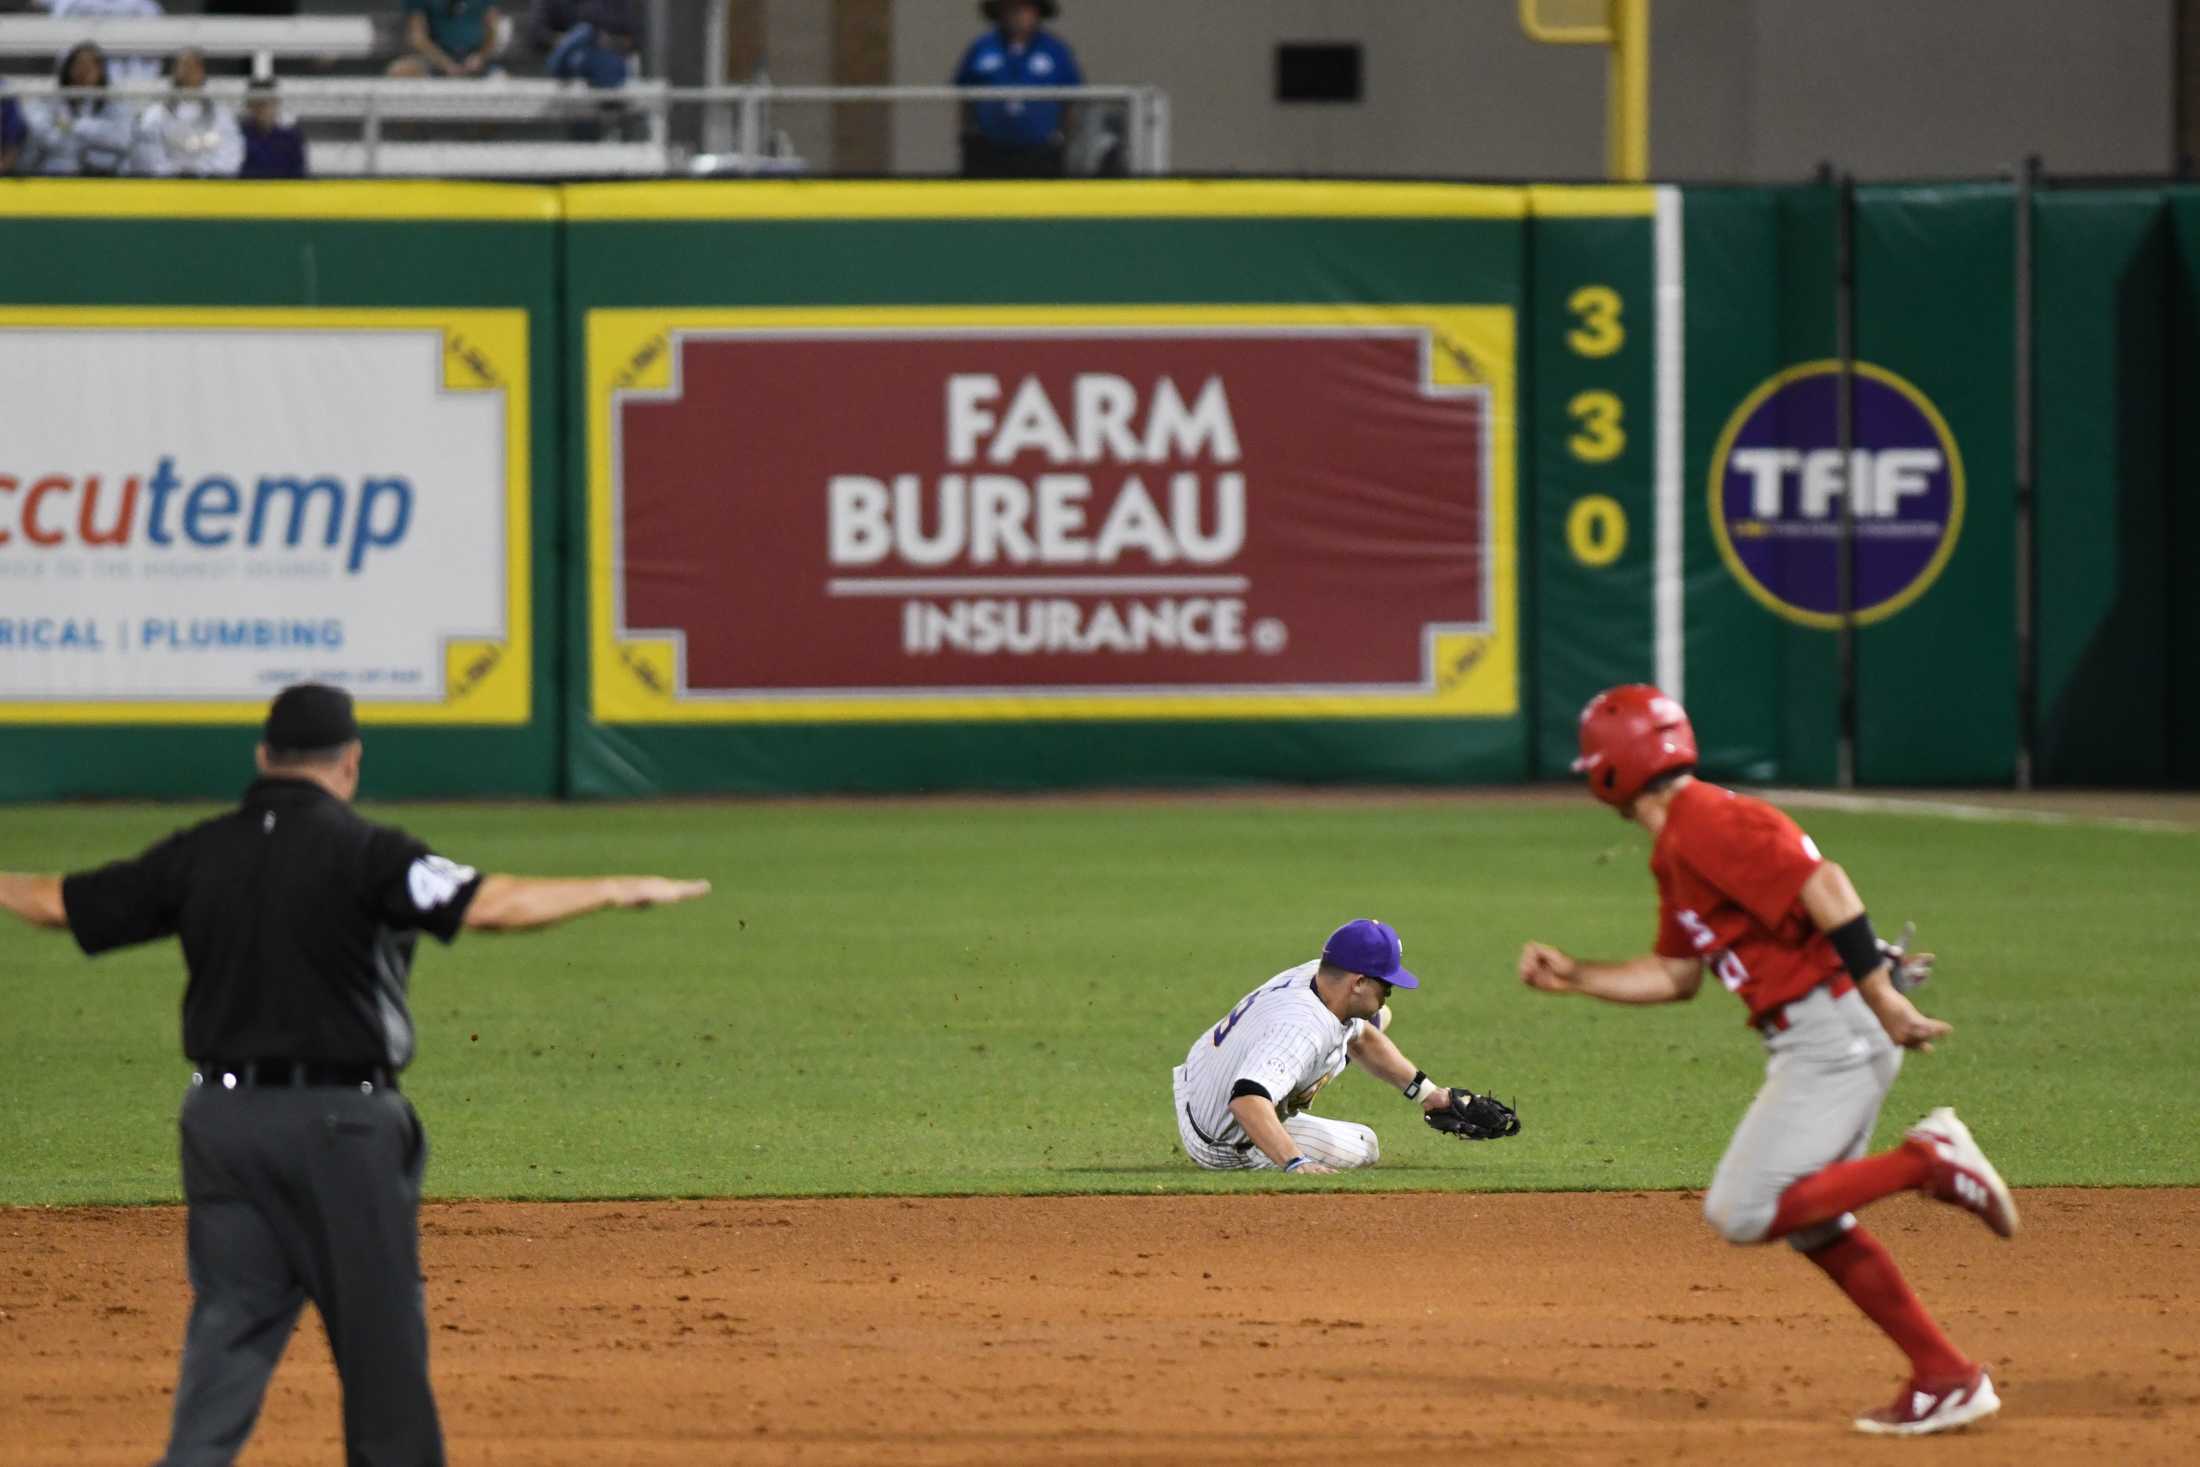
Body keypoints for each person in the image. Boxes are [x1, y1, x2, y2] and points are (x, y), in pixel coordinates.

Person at [0, 683, 710, 1467]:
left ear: (263, 757)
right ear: (351, 762)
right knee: (382, 1353)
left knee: (228, 1336)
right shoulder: (371, 852)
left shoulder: (200, 850)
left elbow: (52, 902)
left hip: (219, 1128)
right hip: (341, 1130)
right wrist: (612, 887)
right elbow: (492, 905)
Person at [1517, 684, 2019, 1437]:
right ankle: (1945, 1374)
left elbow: (1827, 885)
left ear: (1608, 771)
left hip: (1834, 1032)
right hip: (1819, 1034)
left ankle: (1927, 1160)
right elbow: (1676, 975)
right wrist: (1577, 976)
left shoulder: (1707, 819)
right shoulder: (1675, 848)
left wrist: (1881, 998)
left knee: (1742, 1208)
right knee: (1813, 1220)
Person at [1174, 918, 1519, 1174]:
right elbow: (1247, 1100)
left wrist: (1429, 1095)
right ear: (1358, 982)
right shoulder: (1302, 1029)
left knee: (1374, 1020)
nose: (1389, 990)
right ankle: (1272, 1149)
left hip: (1201, 1087)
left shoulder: (1320, 977)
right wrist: (1296, 1163)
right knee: (1365, 1145)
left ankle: (1325, 1065)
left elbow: (1363, 1034)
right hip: (1223, 1140)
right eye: (1385, 983)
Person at [953, 0, 1082, 179]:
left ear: (1037, 12)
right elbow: (964, 95)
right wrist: (969, 135)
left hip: (1041, 153)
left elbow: (1072, 98)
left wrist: (1061, 138)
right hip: (989, 152)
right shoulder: (982, 47)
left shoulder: (1055, 51)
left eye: (1025, 9)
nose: (1018, 15)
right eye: (1012, 9)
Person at [20, 42, 138, 176]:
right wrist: (91, 138)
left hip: (104, 175)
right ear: (68, 69)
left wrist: (75, 126)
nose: (84, 71)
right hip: (57, 175)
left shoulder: (115, 100)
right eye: (79, 64)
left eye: (92, 66)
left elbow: (123, 139)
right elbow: (44, 136)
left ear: (102, 71)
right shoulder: (47, 100)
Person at [134, 48, 245, 178]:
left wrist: (204, 175)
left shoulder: (221, 115)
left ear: (202, 72)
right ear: (175, 72)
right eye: (184, 66)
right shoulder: (155, 114)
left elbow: (231, 151)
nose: (189, 72)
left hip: (211, 188)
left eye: (195, 67)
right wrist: (175, 175)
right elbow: (148, 154)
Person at [48, 0, 166, 85]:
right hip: (76, 90)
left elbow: (153, 59)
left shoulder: (145, 7)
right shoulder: (70, 4)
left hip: (130, 86)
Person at [531, 0, 642, 90]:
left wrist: (607, 41)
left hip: (604, 60)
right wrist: (568, 39)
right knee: (583, 35)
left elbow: (634, 39)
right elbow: (537, 34)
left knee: (597, 54)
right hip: (564, 62)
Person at [391, 0, 504, 79]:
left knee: (504, 81)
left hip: (476, 62)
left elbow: (493, 32)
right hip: (434, 61)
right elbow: (417, 37)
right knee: (399, 70)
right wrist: (446, 64)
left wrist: (479, 57)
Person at [237, 75, 307, 178]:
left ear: (276, 103)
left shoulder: (291, 138)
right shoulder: (237, 136)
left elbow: (299, 176)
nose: (261, 108)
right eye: (257, 102)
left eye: (266, 102)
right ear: (249, 104)